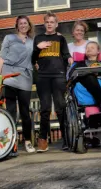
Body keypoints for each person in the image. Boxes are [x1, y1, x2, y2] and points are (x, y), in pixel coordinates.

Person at [32, 11, 73, 152]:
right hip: (42, 77)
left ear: (56, 24)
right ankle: (43, 140)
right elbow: (33, 59)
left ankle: (66, 139)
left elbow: (66, 54)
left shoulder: (61, 39)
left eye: (52, 22)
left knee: (60, 107)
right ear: (44, 24)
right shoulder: (38, 38)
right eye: (47, 22)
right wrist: (38, 48)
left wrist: (69, 59)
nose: (49, 24)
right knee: (45, 109)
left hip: (58, 76)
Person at [0, 15, 36, 155]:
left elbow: (35, 57)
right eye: (20, 23)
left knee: (25, 112)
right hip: (9, 76)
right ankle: (10, 143)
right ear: (17, 26)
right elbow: (2, 56)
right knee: (11, 111)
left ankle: (27, 141)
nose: (23, 25)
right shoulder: (9, 38)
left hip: (25, 77)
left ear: (29, 26)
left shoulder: (33, 41)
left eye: (25, 23)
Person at [71, 41, 101, 115]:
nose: (89, 49)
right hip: (88, 82)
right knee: (90, 76)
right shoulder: (80, 63)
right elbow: (72, 74)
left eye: (92, 47)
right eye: (87, 48)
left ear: (98, 51)